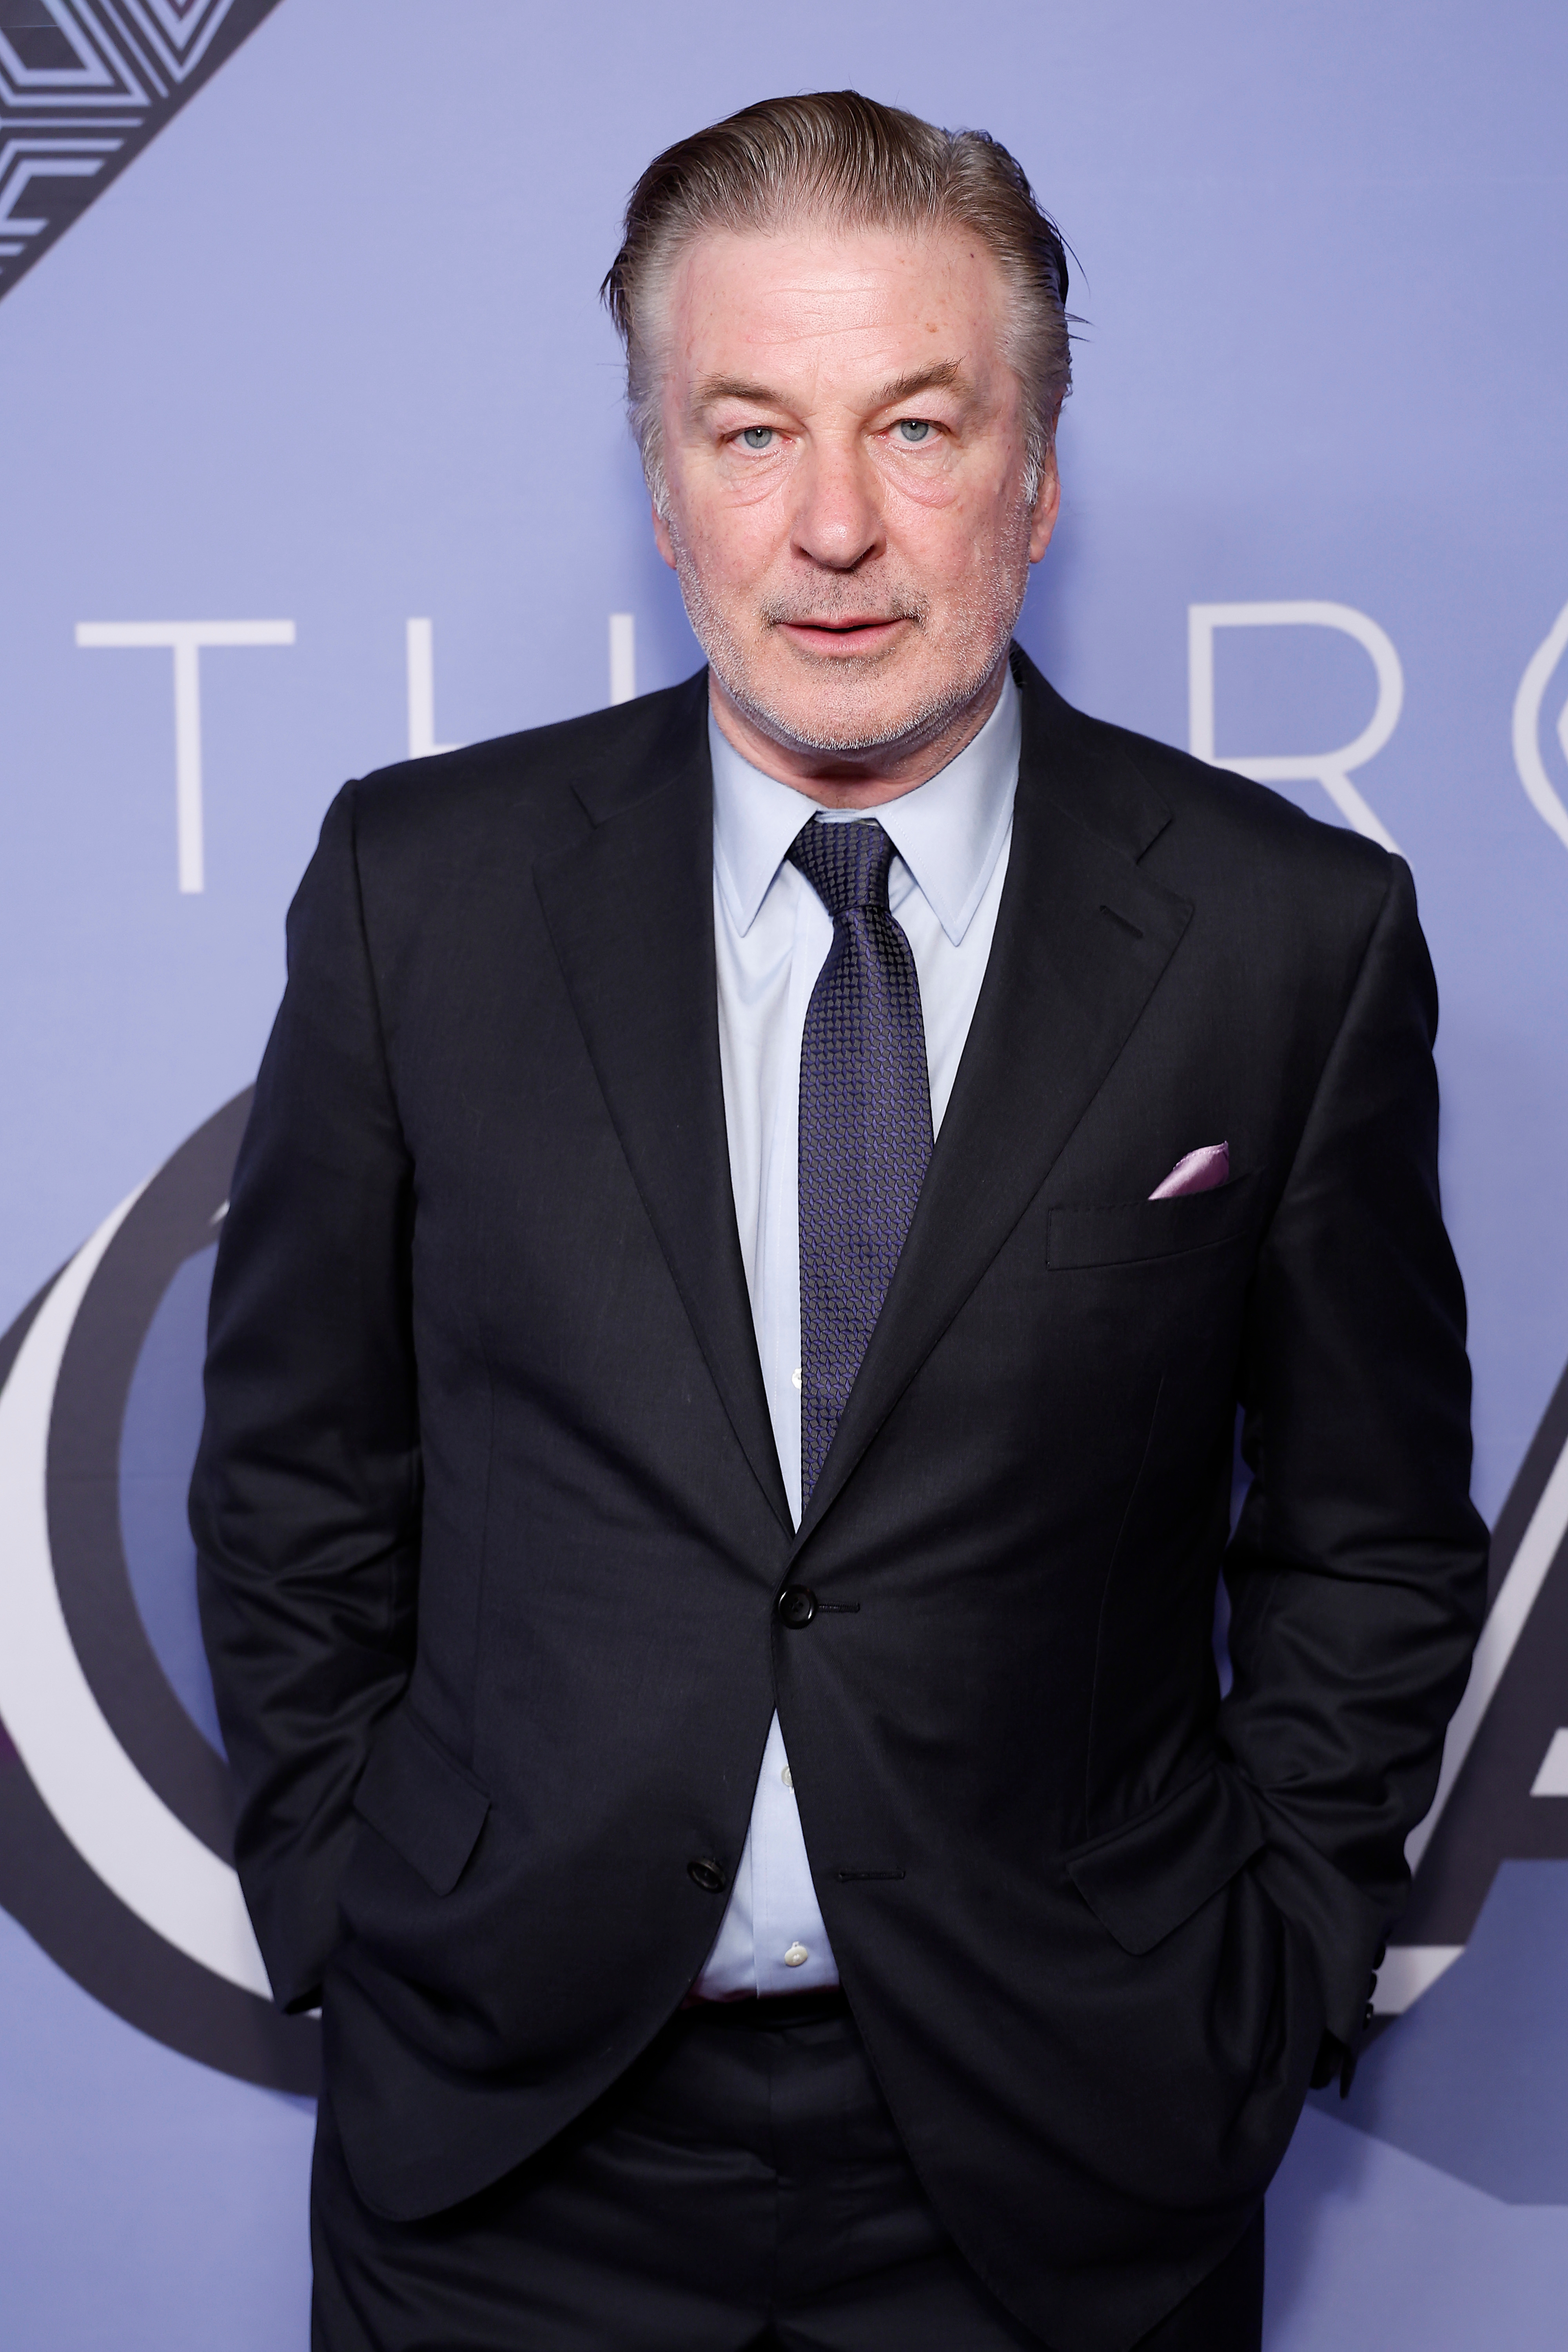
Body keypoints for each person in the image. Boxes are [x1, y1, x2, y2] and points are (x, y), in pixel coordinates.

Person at [192, 90, 1487, 2352]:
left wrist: (1268, 1979)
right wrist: (347, 1901)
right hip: (509, 2151)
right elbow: (301, 1474)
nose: (837, 530)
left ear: (1039, 472)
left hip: (1067, 2164)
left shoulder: (1293, 941)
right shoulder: (423, 896)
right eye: (750, 430)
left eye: (916, 424)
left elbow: (1367, 1539)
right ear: (666, 492)